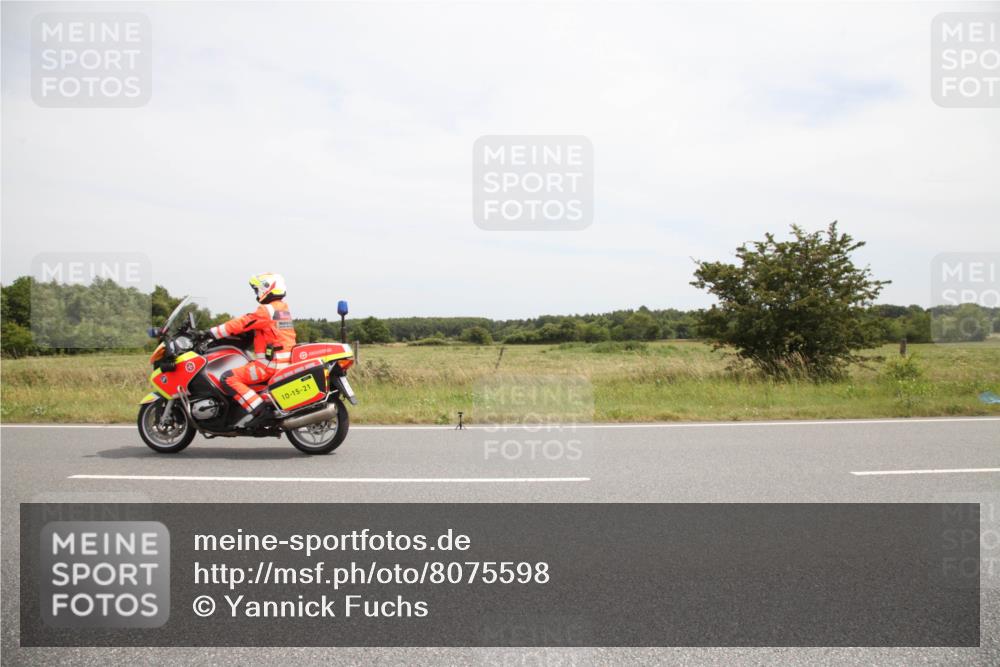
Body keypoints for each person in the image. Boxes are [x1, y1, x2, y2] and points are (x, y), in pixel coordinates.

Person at [207, 272, 297, 428]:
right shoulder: (282, 309)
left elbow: (242, 323)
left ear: (267, 288)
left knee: (228, 378)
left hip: (269, 366)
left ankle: (260, 411)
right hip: (283, 362)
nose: (256, 293)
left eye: (257, 289)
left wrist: (212, 332)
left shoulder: (267, 310)